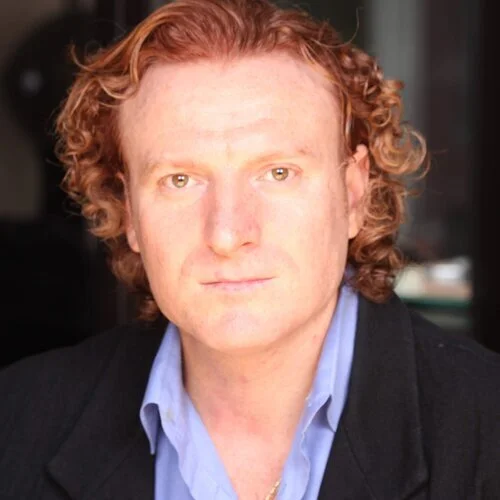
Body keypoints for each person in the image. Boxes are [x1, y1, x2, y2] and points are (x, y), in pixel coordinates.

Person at [1, 0, 499, 498]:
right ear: (129, 211)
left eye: (278, 173)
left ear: (353, 194)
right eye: (180, 180)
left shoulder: (486, 425)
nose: (226, 233)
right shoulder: (16, 422)